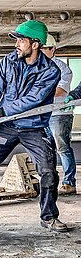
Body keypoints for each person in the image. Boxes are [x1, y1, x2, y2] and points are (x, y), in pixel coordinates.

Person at [0, 20, 67, 234]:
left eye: (21, 40)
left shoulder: (51, 72)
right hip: (6, 127)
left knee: (48, 171)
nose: (16, 44)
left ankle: (49, 217)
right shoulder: (9, 61)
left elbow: (32, 100)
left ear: (35, 44)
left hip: (34, 128)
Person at [41, 34, 77, 196]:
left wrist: (36, 95)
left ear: (52, 49)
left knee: (62, 148)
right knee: (47, 149)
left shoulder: (62, 68)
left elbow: (60, 90)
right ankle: (51, 182)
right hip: (43, 114)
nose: (41, 51)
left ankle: (69, 183)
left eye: (45, 48)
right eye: (40, 48)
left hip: (59, 114)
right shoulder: (35, 67)